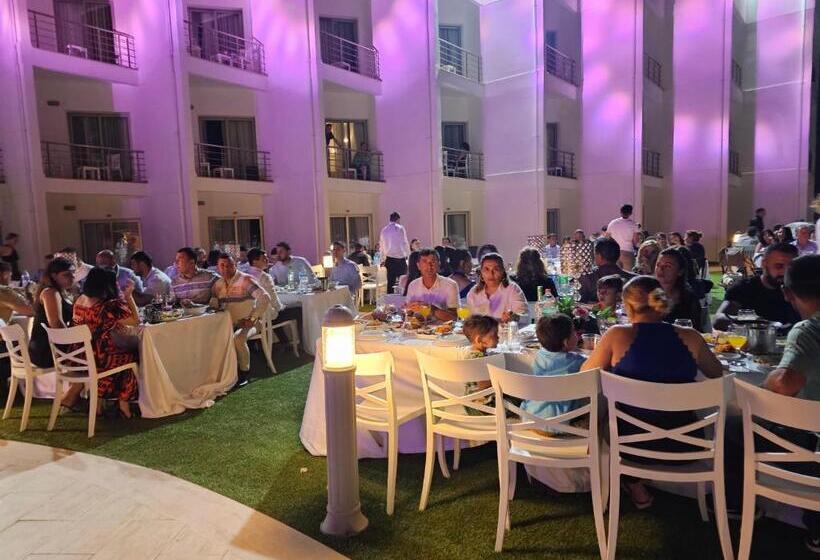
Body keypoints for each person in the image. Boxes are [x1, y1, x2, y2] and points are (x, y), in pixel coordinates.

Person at [582, 276, 723, 509]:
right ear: (662, 302)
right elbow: (717, 373)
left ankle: (631, 482)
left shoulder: (616, 335)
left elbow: (585, 374)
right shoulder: (691, 337)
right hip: (687, 445)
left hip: (629, 446)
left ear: (627, 306)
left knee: (602, 416)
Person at [725, 255, 820, 551]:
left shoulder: (808, 331)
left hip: (814, 447)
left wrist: (757, 391)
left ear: (788, 294)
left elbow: (782, 385)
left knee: (733, 424)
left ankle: (738, 504)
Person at [69, 267, 139, 418]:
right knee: (131, 356)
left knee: (118, 354)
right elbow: (135, 320)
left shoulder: (79, 300)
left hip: (80, 355)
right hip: (99, 357)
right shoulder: (107, 306)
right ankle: (124, 405)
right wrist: (129, 296)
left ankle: (98, 405)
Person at [212, 253, 270, 386]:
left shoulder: (246, 280)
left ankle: (244, 373)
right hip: (228, 324)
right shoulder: (218, 284)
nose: (226, 268)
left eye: (229, 265)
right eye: (222, 266)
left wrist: (253, 318)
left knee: (238, 338)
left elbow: (265, 298)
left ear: (235, 265)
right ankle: (222, 373)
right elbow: (214, 302)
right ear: (218, 267)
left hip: (250, 323)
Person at [713, 243, 801, 330]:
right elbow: (719, 320)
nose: (784, 272)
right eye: (779, 266)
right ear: (764, 264)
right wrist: (753, 322)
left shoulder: (799, 290)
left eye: (790, 267)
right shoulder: (744, 288)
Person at [520, 314, 586, 430]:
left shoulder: (538, 356)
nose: (576, 334)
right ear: (565, 342)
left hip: (530, 418)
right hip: (560, 424)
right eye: (574, 332)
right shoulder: (577, 362)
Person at [28, 257, 75, 368]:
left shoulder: (61, 291)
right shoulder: (50, 292)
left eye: (73, 273)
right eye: (66, 274)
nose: (72, 277)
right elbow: (56, 323)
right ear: (54, 276)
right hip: (46, 350)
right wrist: (74, 340)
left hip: (52, 344)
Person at [465, 253, 528, 322]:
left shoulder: (512, 289)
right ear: (481, 272)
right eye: (486, 269)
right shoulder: (474, 292)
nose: (491, 273)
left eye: (496, 269)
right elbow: (468, 319)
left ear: (503, 272)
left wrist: (514, 317)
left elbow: (524, 316)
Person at [654, 247, 703, 330]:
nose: (660, 269)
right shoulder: (646, 294)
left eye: (667, 266)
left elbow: (695, 330)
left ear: (680, 271)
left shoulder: (689, 300)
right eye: (658, 265)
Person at [405, 248, 459, 321]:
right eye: (424, 262)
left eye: (433, 262)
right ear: (418, 266)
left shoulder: (450, 285)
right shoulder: (413, 285)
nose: (429, 266)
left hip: (442, 327)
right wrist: (409, 309)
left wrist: (431, 308)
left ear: (439, 264)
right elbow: (408, 312)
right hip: (418, 326)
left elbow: (454, 317)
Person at [578, 238, 635, 303]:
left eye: (594, 253)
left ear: (599, 256)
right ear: (618, 255)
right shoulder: (633, 279)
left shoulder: (587, 277)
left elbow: (579, 303)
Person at [378, 212, 411, 294]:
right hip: (400, 259)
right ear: (398, 219)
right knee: (403, 282)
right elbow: (405, 243)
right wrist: (409, 256)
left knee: (390, 283)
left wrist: (382, 259)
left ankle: (390, 299)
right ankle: (403, 298)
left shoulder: (384, 230)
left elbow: (381, 245)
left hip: (389, 259)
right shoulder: (400, 228)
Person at [606, 204, 640, 270]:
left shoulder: (612, 223)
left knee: (615, 274)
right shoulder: (633, 224)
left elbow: (607, 238)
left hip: (614, 252)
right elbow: (635, 241)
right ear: (630, 213)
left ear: (621, 212)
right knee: (628, 274)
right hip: (628, 251)